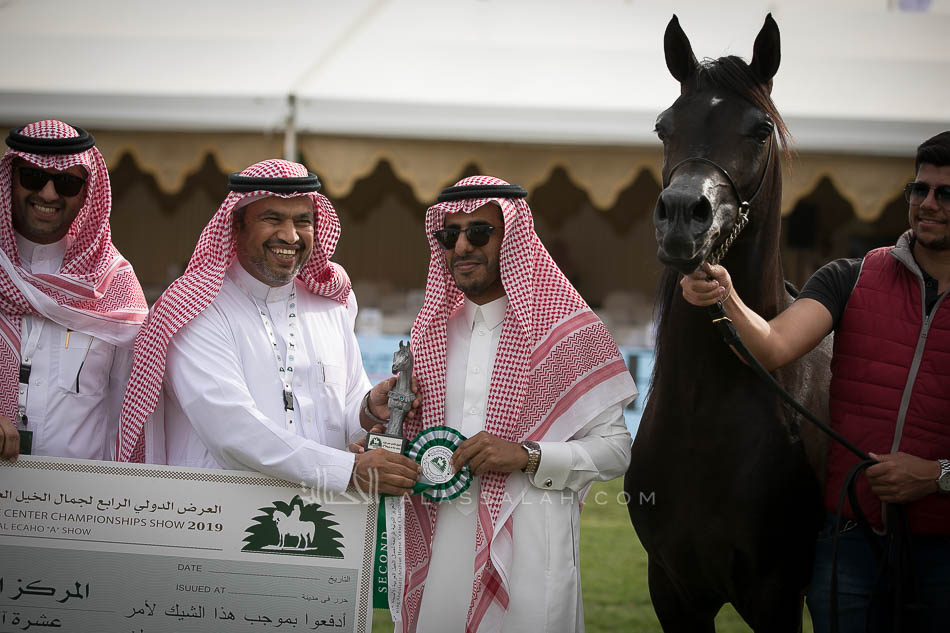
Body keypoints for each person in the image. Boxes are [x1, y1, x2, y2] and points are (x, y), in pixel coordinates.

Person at [681, 131, 950, 632]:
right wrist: (726, 295)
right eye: (920, 189)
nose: (928, 203)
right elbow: (772, 346)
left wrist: (938, 475)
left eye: (945, 193)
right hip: (849, 543)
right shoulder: (850, 277)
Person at [398, 176, 638, 633]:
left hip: (531, 552)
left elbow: (616, 450)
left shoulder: (570, 336)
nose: (462, 246)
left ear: (513, 238)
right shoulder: (430, 336)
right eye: (450, 235)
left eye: (479, 233)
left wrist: (528, 456)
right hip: (442, 548)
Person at [118, 158, 420, 496]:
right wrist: (346, 470)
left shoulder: (330, 305)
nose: (290, 236)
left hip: (319, 512)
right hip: (217, 513)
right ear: (236, 227)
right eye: (272, 219)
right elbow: (232, 432)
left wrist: (367, 410)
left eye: (303, 221)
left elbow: (342, 416)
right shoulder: (196, 309)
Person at [0, 120, 147, 461]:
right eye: (32, 177)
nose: (48, 194)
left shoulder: (114, 284)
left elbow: (129, 411)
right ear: (9, 180)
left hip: (79, 491)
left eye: (66, 183)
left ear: (85, 193)